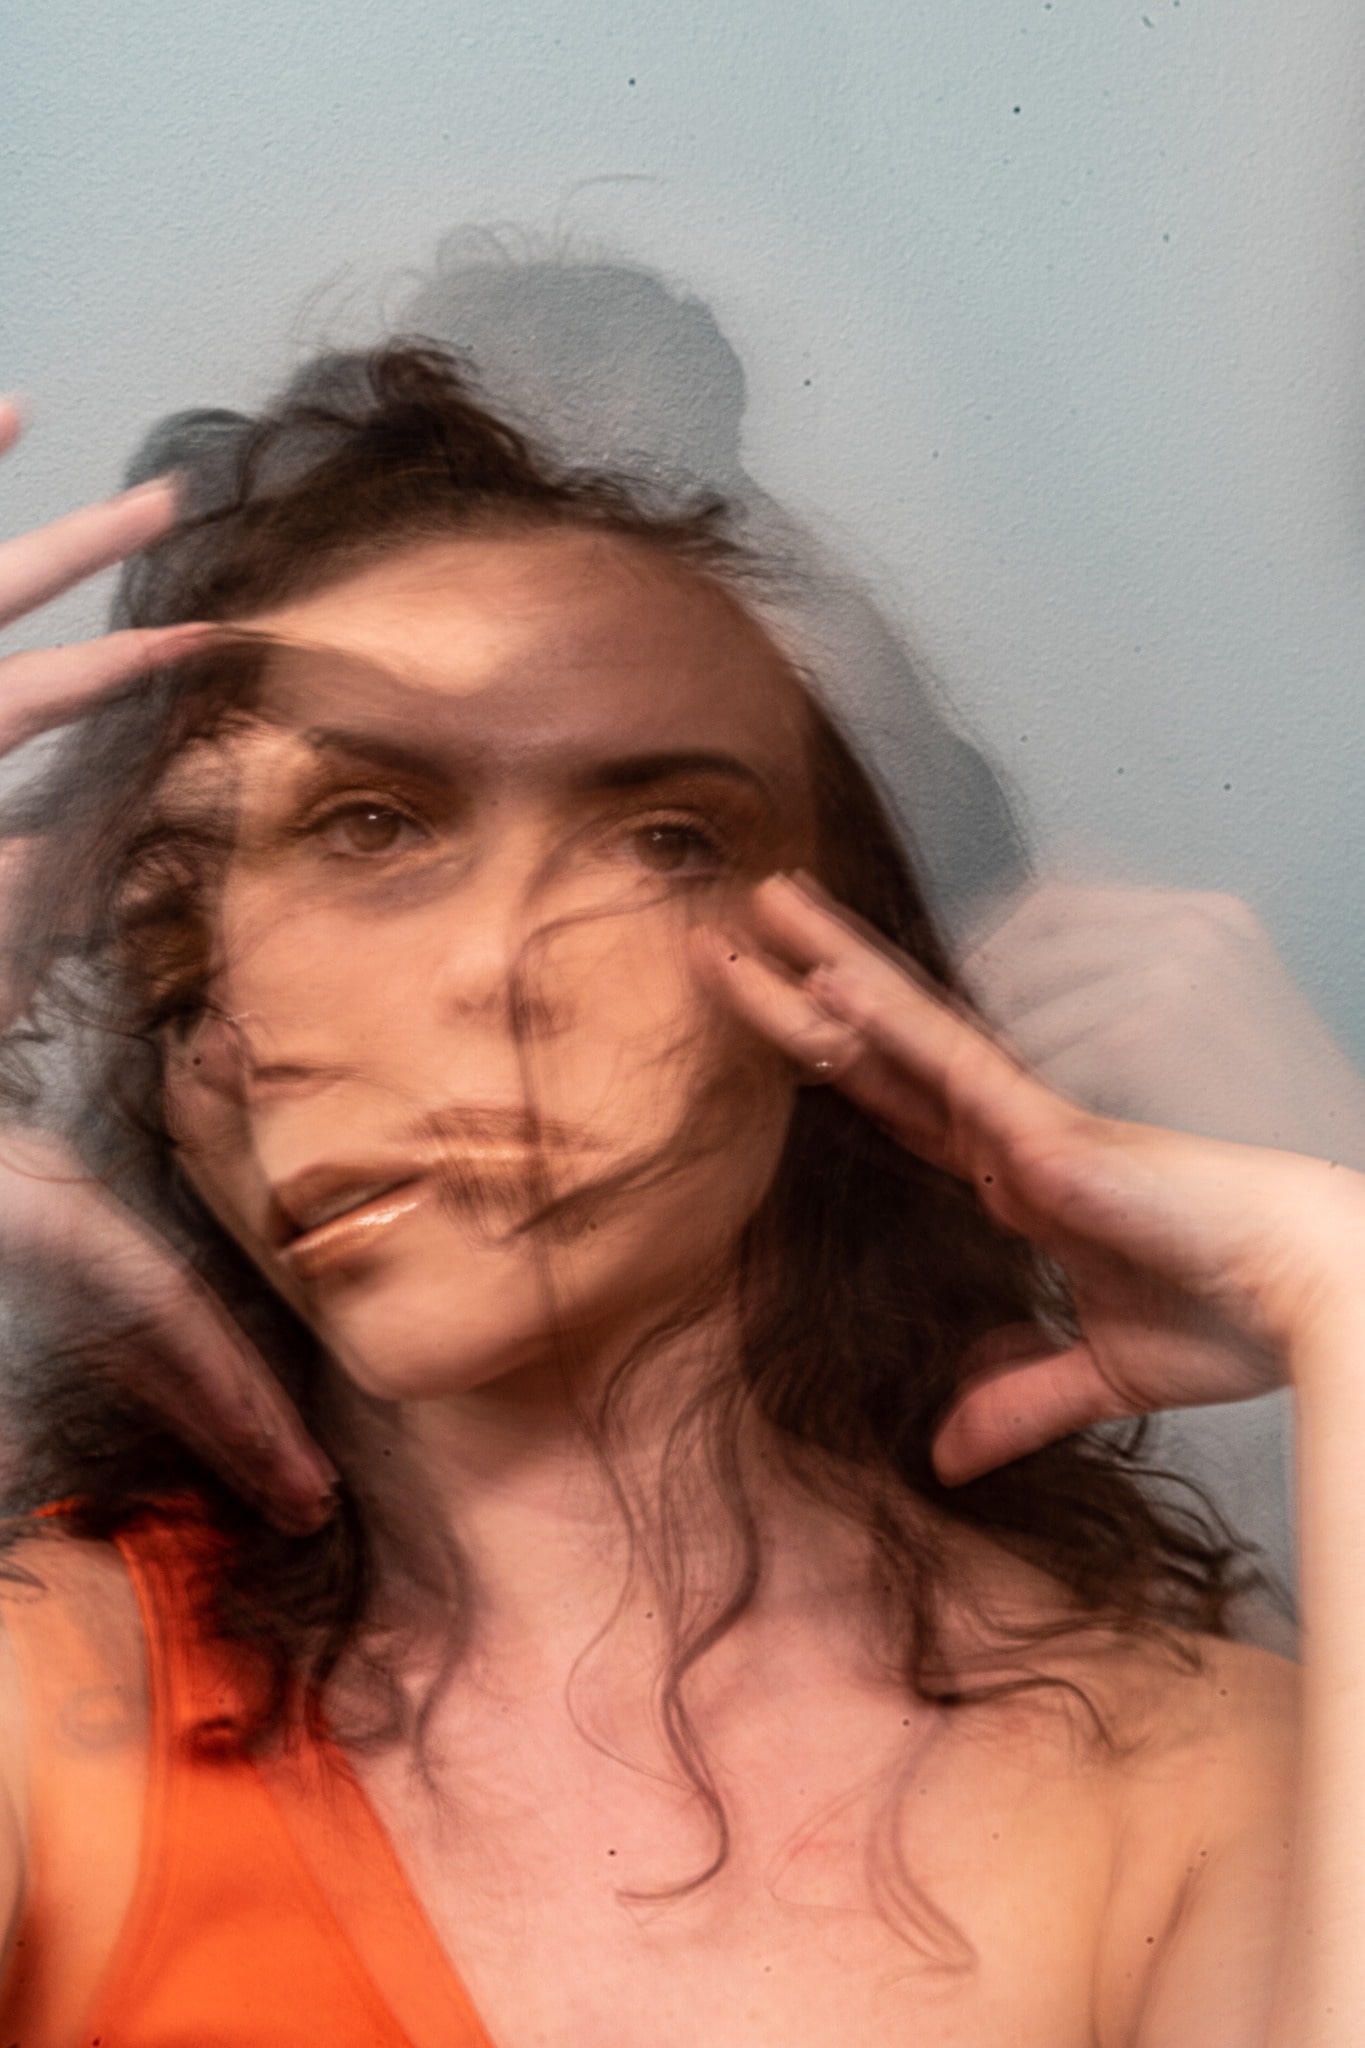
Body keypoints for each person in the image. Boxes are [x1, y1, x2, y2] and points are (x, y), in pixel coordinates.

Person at [0, 345, 1359, 2048]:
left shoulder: (1197, 1787)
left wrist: (1341, 1280)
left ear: (844, 987)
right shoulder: (50, 1705)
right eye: (193, 915)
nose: (270, 1025)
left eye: (654, 839)